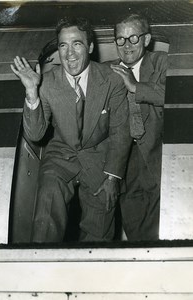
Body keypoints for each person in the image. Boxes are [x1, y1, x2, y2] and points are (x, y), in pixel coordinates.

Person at [11, 16, 132, 243]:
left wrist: (112, 178)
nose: (70, 54)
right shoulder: (45, 83)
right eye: (63, 45)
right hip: (61, 154)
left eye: (77, 43)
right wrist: (31, 92)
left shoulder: (112, 80)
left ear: (91, 47)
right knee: (47, 204)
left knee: (99, 233)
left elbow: (120, 132)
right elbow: (35, 135)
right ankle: (42, 268)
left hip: (100, 157)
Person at [109, 14, 167, 241]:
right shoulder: (106, 71)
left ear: (147, 39)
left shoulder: (163, 62)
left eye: (133, 38)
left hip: (157, 154)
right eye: (120, 40)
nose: (126, 45)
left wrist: (135, 86)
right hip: (124, 162)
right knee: (135, 230)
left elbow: (174, 92)